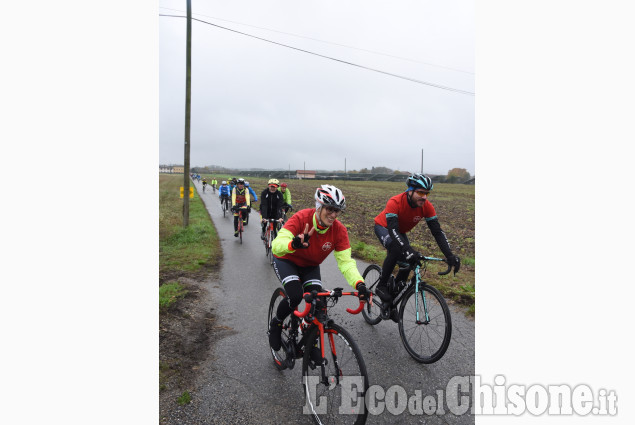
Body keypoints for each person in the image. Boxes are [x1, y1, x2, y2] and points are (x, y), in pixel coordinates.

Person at [268, 184, 371, 351]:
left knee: (319, 301)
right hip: (287, 260)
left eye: (337, 211)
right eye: (329, 209)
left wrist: (359, 284)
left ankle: (310, 340)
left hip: (310, 265)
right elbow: (277, 244)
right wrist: (293, 243)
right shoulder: (302, 218)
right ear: (319, 206)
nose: (333, 214)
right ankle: (277, 323)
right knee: (295, 296)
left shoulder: (339, 231)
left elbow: (345, 262)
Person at [373, 173, 460, 305]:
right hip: (384, 227)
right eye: (420, 193)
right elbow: (393, 230)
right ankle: (381, 285)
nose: (424, 197)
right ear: (410, 191)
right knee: (396, 248)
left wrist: (449, 255)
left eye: (427, 193)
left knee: (409, 262)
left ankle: (392, 301)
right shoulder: (395, 202)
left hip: (399, 231)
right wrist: (406, 249)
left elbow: (437, 232)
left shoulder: (427, 207)